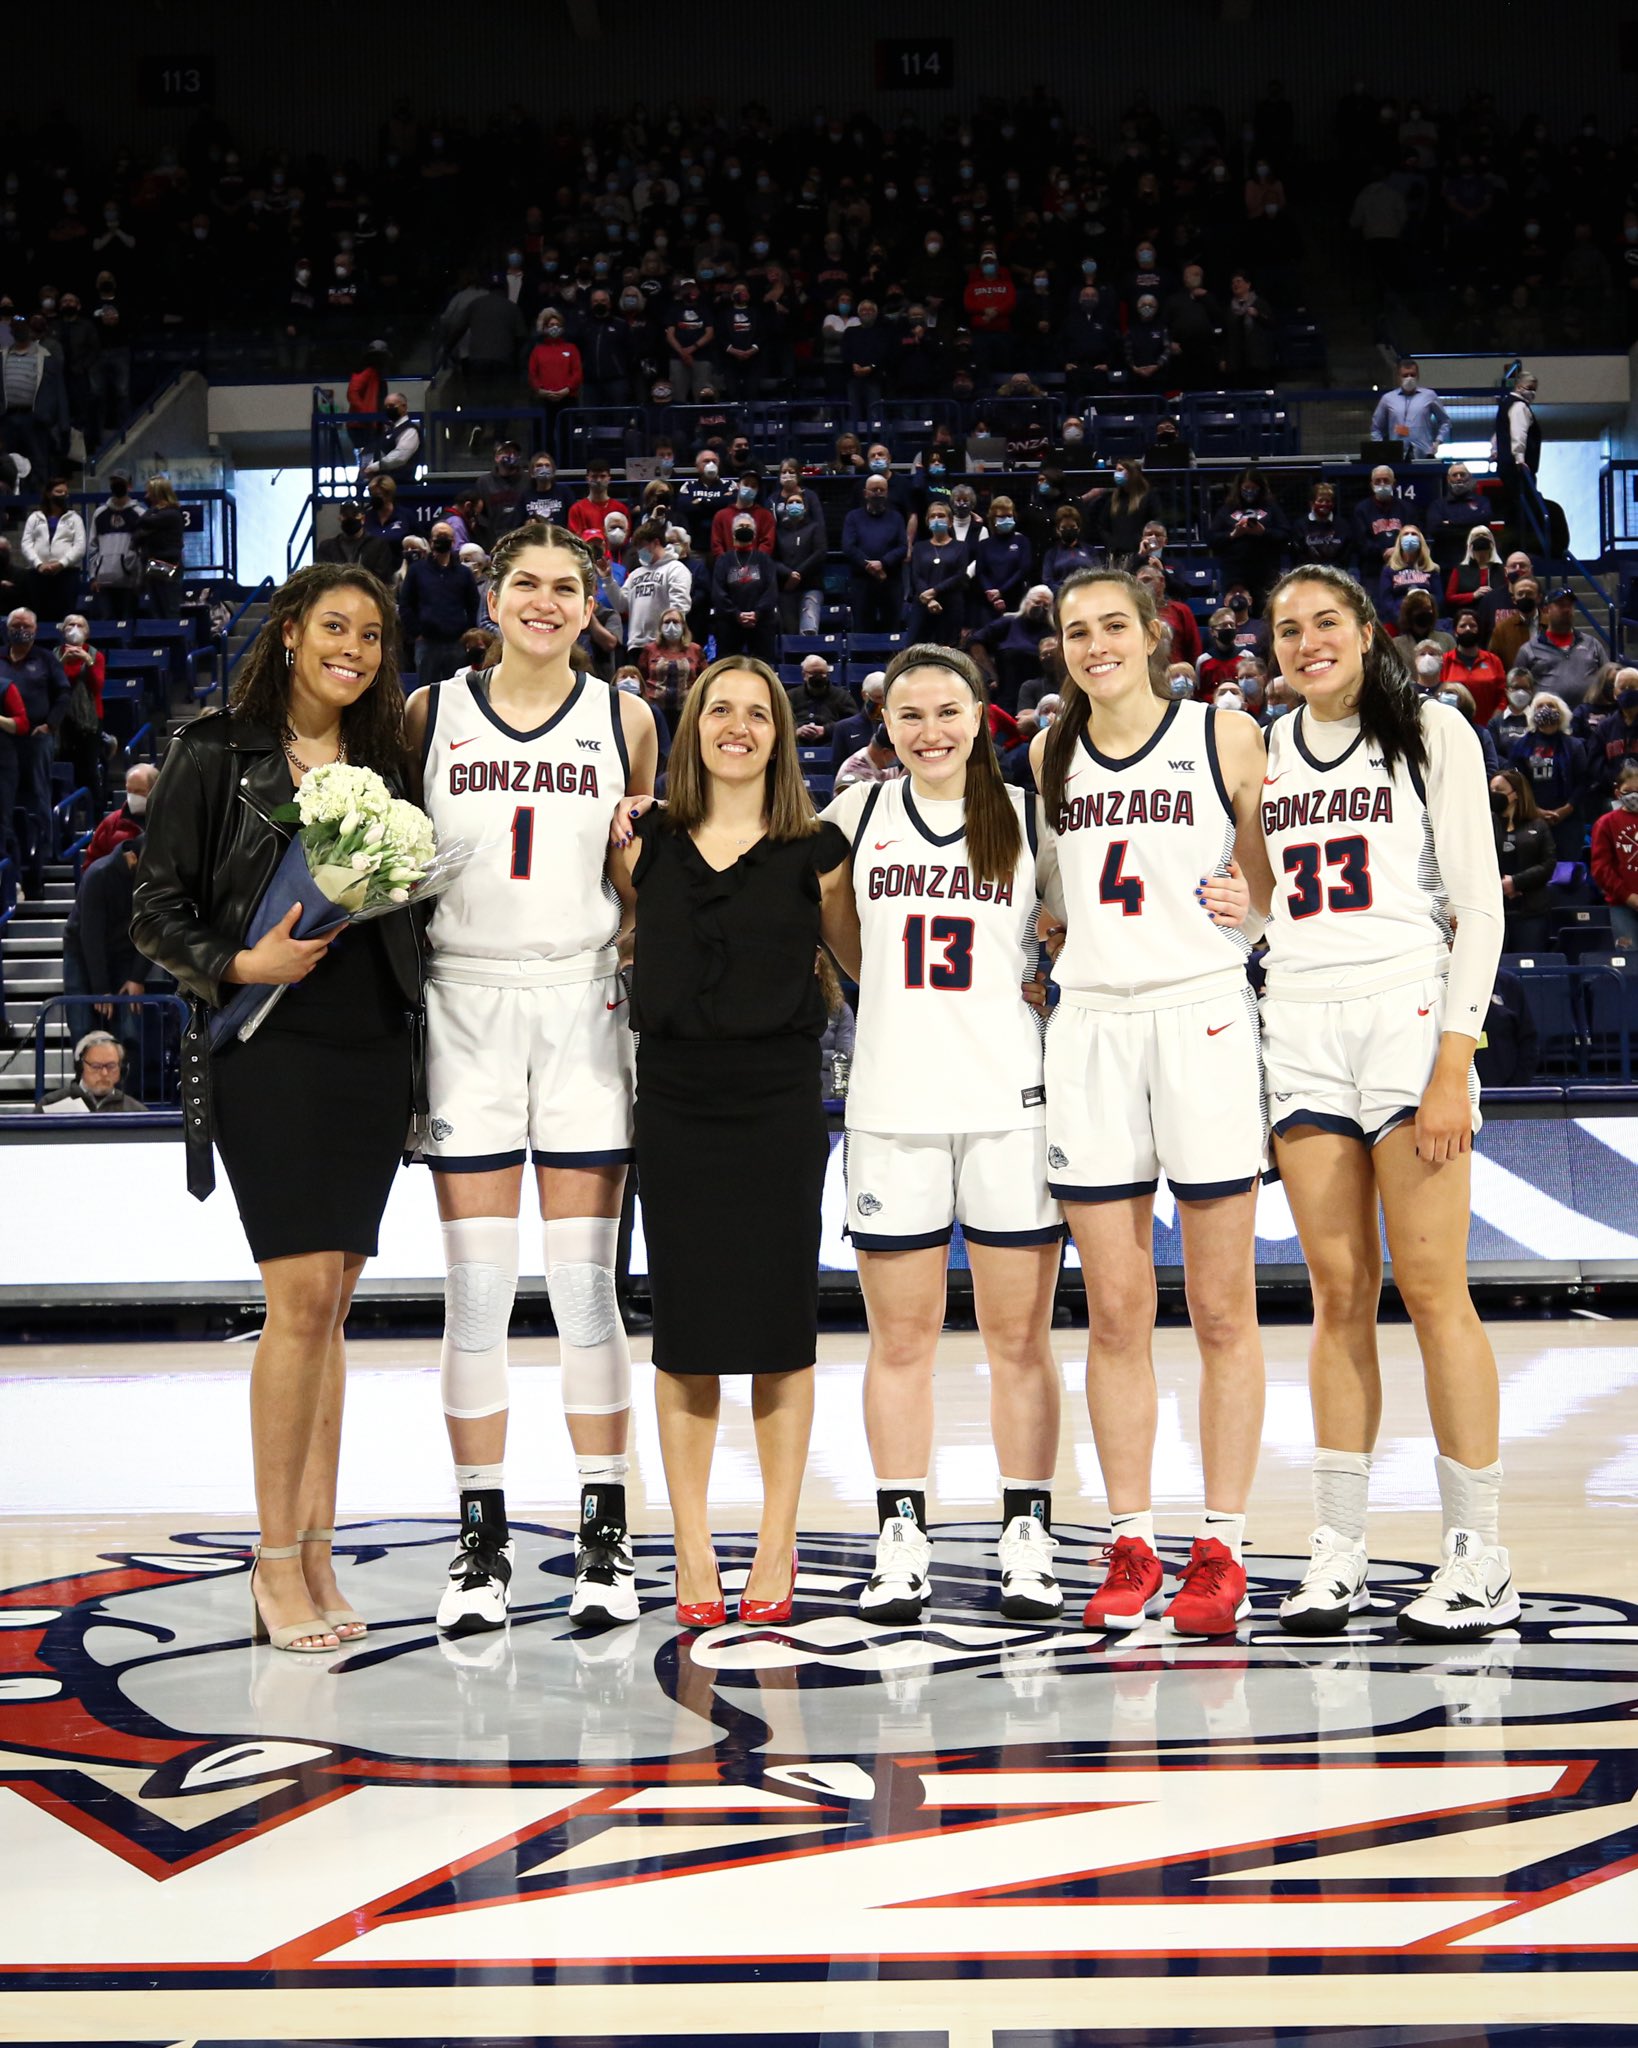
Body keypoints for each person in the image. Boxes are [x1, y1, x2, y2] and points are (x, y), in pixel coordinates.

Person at [132, 564, 423, 1654]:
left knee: (335, 1306)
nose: (354, 646)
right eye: (334, 626)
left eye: (373, 633)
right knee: (299, 1301)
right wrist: (239, 958)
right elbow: (155, 909)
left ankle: (318, 1546)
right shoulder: (218, 749)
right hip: (270, 1048)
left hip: (369, 1048)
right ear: (291, 634)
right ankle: (271, 1558)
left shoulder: (389, 760)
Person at [406, 520, 658, 1638]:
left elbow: (636, 880)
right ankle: (481, 1537)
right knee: (474, 1296)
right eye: (526, 583)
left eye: (566, 587)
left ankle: (606, 1529)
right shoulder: (428, 712)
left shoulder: (627, 715)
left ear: (592, 606)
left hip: (582, 1003)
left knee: (585, 1292)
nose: (545, 602)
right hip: (462, 999)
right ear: (492, 592)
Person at [1260, 564, 1514, 1641]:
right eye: (1287, 629)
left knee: (1434, 1290)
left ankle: (1479, 1554)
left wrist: (1456, 1056)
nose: (1308, 641)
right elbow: (1256, 894)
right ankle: (1340, 1549)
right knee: (1336, 1295)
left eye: (1326, 622)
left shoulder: (1433, 732)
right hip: (1301, 1023)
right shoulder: (1263, 749)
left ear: (1367, 631)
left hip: (1409, 1020)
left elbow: (1481, 906)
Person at [1032, 569, 1273, 1637]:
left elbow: (1272, 887)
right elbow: (1048, 903)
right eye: (1077, 632)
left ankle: (1221, 1545)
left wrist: (1252, 907)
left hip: (1203, 1014)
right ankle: (1131, 1536)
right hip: (1091, 1024)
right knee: (1118, 1310)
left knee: (1223, 1307)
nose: (1095, 645)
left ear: (1152, 633)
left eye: (1112, 626)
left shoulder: (1223, 734)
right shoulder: (1047, 752)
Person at [819, 644, 1064, 1621]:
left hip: (1010, 1103)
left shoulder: (1025, 815)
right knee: (901, 1339)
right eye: (910, 713)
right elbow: (838, 927)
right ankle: (899, 1531)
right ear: (885, 723)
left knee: (1020, 1338)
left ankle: (1028, 1532)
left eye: (948, 711)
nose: (930, 730)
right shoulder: (857, 814)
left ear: (980, 714)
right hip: (892, 1107)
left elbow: (1068, 925)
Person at [609, 659, 856, 1626]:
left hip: (780, 1104)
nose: (738, 727)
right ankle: (694, 1544)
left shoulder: (820, 849)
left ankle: (779, 1540)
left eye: (758, 713)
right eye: (721, 710)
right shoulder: (643, 843)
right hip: (674, 1102)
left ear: (782, 732)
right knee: (689, 1340)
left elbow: (866, 959)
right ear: (694, 727)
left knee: (781, 1336)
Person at [60, 831, 146, 1045]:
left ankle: (127, 1077)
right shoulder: (99, 874)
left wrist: (137, 977)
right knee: (82, 1025)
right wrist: (101, 988)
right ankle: (83, 1075)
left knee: (129, 1026)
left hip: (125, 952)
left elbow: (153, 931)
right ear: (133, 858)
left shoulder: (154, 883)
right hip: (81, 951)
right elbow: (91, 935)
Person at [399, 520, 479, 690]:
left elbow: (473, 605)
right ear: (431, 540)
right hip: (427, 644)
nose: (442, 540)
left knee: (457, 692)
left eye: (446, 536)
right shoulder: (417, 571)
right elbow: (405, 604)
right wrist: (416, 632)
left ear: (453, 541)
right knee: (426, 693)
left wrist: (468, 634)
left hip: (456, 643)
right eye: (438, 536)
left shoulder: (464, 573)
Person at [1508, 690, 1585, 860]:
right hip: (1532, 816)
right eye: (1540, 706)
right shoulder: (1521, 746)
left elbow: (1583, 781)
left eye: (1551, 706)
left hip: (1568, 819)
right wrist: (1534, 810)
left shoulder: (1574, 745)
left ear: (1561, 712)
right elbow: (1516, 782)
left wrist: (1566, 809)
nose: (1545, 709)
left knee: (1567, 870)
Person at [1489, 767, 1557, 951]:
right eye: (1491, 791)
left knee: (1529, 964)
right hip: (1494, 909)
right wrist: (1499, 885)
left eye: (1499, 791)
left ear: (1516, 794)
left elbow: (1548, 865)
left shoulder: (1538, 826)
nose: (1494, 795)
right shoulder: (1485, 825)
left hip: (1531, 911)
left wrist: (1516, 882)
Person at [1515, 586, 1608, 708]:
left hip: (1588, 718)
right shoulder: (1529, 649)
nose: (1566, 609)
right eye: (1560, 605)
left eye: (1570, 605)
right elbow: (1517, 687)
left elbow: (1608, 678)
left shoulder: (1592, 644)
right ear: (1546, 610)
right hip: (1547, 720)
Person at [1209, 469, 1289, 606]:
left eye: (1254, 488)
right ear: (1239, 488)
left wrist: (1263, 532)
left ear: (1261, 488)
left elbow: (1285, 534)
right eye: (1246, 488)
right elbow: (1211, 538)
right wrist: (1233, 535)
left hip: (1265, 571)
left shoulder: (1271, 508)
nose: (1250, 491)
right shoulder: (1228, 509)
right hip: (1235, 572)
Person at [710, 513, 779, 664]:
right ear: (733, 532)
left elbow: (771, 591)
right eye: (740, 527)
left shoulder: (764, 559)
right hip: (730, 624)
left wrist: (757, 613)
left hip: (760, 623)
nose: (744, 529)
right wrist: (736, 614)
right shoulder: (724, 560)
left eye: (747, 527)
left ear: (754, 534)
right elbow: (719, 593)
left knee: (763, 665)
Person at [843, 474, 909, 633]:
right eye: (874, 490)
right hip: (862, 581)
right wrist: (869, 565)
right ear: (865, 493)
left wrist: (883, 563)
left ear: (887, 493)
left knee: (891, 627)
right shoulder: (853, 517)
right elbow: (848, 546)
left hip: (890, 579)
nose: (878, 493)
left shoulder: (896, 517)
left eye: (882, 490)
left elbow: (902, 547)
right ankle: (862, 658)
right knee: (862, 627)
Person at [21, 479, 86, 623]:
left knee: (65, 617)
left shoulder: (75, 519)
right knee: (40, 616)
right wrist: (38, 564)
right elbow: (26, 543)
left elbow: (80, 546)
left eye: (65, 493)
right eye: (58, 492)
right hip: (38, 575)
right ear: (49, 494)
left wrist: (61, 563)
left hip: (66, 574)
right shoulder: (34, 517)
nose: (62, 495)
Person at [906, 504, 972, 646]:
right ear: (927, 521)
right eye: (933, 516)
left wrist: (934, 591)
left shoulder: (961, 547)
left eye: (941, 516)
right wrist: (929, 599)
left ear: (950, 521)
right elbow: (916, 575)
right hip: (923, 604)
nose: (936, 519)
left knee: (947, 651)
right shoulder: (919, 547)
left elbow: (959, 575)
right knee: (915, 650)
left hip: (950, 606)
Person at [40, 1028, 145, 1114]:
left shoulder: (136, 1111)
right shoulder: (50, 1104)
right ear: (80, 1067)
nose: (104, 1073)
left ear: (121, 1069)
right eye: (96, 1066)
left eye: (111, 1066)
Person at [1591, 760, 1638, 947]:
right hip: (1622, 905)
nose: (1635, 795)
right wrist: (1628, 897)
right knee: (1629, 961)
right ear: (1618, 792)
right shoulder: (1606, 823)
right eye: (1629, 791)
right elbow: (1601, 868)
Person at [85, 474, 145, 620]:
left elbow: (143, 549)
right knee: (106, 626)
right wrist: (93, 576)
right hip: (103, 580)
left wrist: (139, 578)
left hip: (129, 581)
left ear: (129, 486)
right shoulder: (100, 513)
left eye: (121, 482)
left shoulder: (139, 514)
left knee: (127, 624)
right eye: (114, 482)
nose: (117, 485)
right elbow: (93, 546)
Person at [1370, 357, 1451, 458]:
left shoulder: (1429, 395)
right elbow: (1376, 428)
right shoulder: (1387, 399)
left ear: (1418, 376)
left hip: (1424, 453)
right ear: (1398, 377)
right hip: (1396, 455)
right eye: (1405, 375)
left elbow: (1445, 421)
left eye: (1412, 375)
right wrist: (1382, 448)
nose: (1409, 378)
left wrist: (1438, 441)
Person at [1442, 609, 1507, 724]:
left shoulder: (1493, 660)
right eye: (1463, 626)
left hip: (1488, 727)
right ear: (1455, 632)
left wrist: (1495, 720)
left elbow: (1503, 696)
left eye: (1472, 625)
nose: (1468, 629)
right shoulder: (1445, 661)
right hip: (1453, 725)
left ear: (1479, 630)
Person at [84, 759, 156, 865]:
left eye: (139, 791)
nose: (132, 796)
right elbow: (92, 864)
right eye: (129, 791)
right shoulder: (111, 823)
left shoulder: (170, 821)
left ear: (155, 790)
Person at [135, 476, 186, 622]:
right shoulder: (155, 513)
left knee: (168, 608)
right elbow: (139, 532)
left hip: (168, 565)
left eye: (149, 492)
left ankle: (174, 642)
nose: (146, 496)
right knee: (156, 610)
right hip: (154, 565)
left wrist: (152, 513)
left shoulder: (172, 514)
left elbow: (142, 521)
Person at [635, 603, 701, 715]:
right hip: (655, 710)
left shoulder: (695, 649)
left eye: (675, 622)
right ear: (660, 627)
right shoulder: (650, 649)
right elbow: (641, 677)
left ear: (683, 626)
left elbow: (703, 678)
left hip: (686, 710)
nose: (671, 625)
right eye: (666, 622)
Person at [1351, 466, 1408, 582]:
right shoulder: (1361, 510)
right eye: (1378, 481)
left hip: (1403, 567)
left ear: (1394, 483)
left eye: (1386, 480)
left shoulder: (1406, 508)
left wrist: (1398, 551)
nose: (1382, 484)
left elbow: (1414, 535)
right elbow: (1361, 541)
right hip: (1372, 570)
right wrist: (1383, 552)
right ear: (1372, 484)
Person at [317, 499, 396, 580]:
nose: (350, 518)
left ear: (363, 519)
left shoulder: (378, 546)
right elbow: (323, 577)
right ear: (339, 518)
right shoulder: (327, 547)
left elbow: (382, 577)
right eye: (345, 515)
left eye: (354, 514)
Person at [1377, 525, 1438, 628]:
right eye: (1406, 534)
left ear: (1420, 541)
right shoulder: (1389, 570)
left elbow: (1438, 597)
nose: (1410, 536)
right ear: (1400, 541)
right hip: (1398, 620)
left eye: (1414, 534)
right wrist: (1401, 618)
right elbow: (1386, 600)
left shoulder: (1432, 568)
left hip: (1426, 619)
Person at [789, 655, 858, 744]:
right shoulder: (791, 696)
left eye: (821, 673)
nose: (818, 677)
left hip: (831, 743)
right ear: (804, 675)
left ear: (828, 674)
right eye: (813, 673)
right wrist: (796, 731)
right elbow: (779, 722)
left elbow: (853, 723)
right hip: (796, 744)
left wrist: (826, 730)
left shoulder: (842, 696)